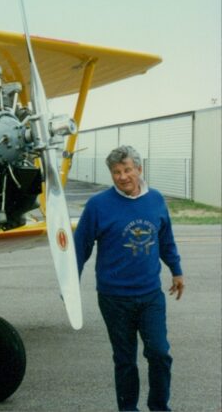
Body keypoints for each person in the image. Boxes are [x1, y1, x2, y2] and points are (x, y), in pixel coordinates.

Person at [74, 145, 184, 412]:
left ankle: (159, 407)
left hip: (150, 295)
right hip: (114, 298)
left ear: (139, 169)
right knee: (125, 360)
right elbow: (80, 246)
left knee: (159, 353)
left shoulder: (156, 200)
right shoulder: (98, 205)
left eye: (127, 170)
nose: (122, 177)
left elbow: (166, 239)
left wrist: (176, 270)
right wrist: (70, 284)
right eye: (116, 172)